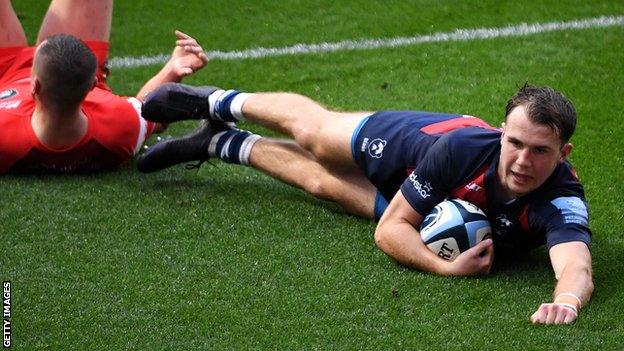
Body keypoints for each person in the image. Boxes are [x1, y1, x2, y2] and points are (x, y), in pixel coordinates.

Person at [136, 76, 593, 325]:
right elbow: (390, 230)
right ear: (501, 132)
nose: (522, 160)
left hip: (435, 207)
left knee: (322, 184)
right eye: (514, 142)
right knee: (315, 135)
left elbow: (575, 265)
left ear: (563, 154)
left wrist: (566, 301)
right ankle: (219, 102)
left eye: (540, 151)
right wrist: (445, 267)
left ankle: (218, 145)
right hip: (414, 146)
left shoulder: (561, 197)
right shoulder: (463, 149)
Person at [0, 0, 207, 173]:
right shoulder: (118, 124)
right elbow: (152, 111)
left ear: (34, 86)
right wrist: (173, 69)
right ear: (93, 84)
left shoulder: (4, 132)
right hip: (68, 69)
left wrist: (172, 70)